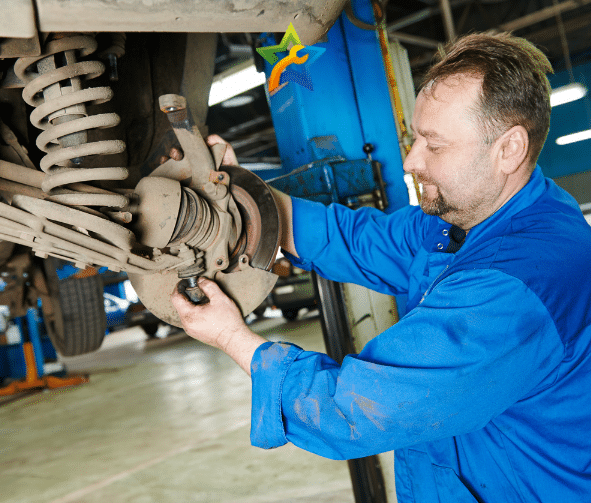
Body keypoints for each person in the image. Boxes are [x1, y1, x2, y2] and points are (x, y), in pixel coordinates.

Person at [171, 32, 591, 502]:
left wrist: (232, 338)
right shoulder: (473, 219)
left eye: (434, 145)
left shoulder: (518, 284)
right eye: (415, 138)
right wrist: (244, 194)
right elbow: (351, 239)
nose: (412, 160)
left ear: (509, 149)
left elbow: (355, 410)